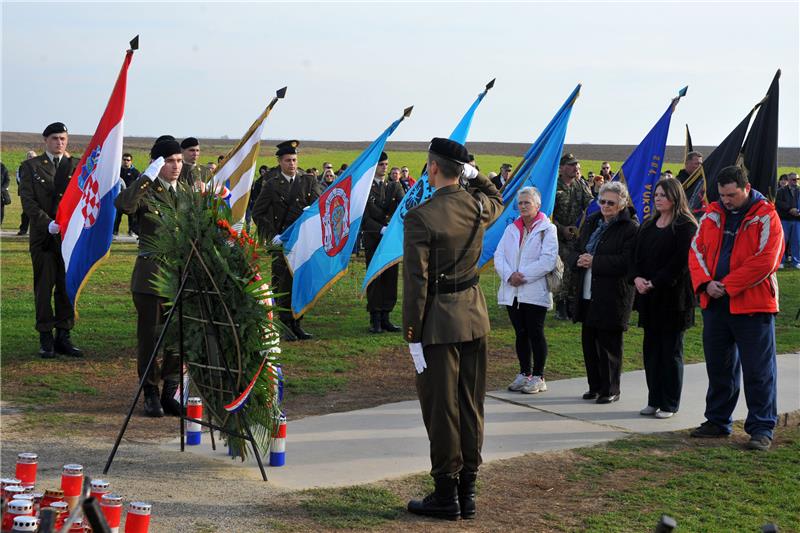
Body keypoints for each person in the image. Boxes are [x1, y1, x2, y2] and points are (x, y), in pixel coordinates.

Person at [403, 137, 503, 521]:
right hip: (474, 316)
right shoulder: (478, 206)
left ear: (432, 169)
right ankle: (469, 491)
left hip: (439, 324)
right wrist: (475, 176)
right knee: (470, 405)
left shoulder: (421, 217)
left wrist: (412, 335)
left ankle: (447, 493)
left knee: (442, 408)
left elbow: (416, 284)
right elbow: (497, 195)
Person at [688, 166, 784, 451]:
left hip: (754, 306)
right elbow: (696, 250)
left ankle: (762, 427)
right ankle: (718, 420)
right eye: (722, 194)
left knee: (759, 370)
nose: (726, 200)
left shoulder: (766, 215)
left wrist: (727, 285)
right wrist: (706, 284)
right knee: (720, 367)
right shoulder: (712, 214)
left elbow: (767, 260)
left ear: (746, 187)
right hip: (716, 305)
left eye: (732, 194)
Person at [115, 139, 188, 417]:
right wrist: (146, 177)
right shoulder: (148, 190)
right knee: (149, 338)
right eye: (170, 161)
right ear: (159, 163)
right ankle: (150, 393)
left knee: (177, 338)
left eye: (179, 161)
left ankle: (170, 391)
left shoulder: (184, 193)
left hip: (179, 278)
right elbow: (124, 204)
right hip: (151, 277)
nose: (176, 166)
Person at [632, 178, 698, 419]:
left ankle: (669, 403)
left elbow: (681, 262)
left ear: (675, 197)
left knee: (670, 352)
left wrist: (655, 282)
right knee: (651, 351)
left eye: (663, 194)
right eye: (656, 194)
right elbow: (636, 256)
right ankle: (653, 399)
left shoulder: (685, 226)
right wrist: (637, 278)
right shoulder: (648, 225)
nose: (658, 198)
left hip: (673, 299)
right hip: (649, 298)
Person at [18, 122, 83, 359]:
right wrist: (48, 223)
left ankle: (64, 335)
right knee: (44, 287)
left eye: (63, 138)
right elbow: (28, 201)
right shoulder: (30, 166)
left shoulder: (76, 165)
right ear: (45, 140)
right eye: (55, 138)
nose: (59, 142)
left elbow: (83, 198)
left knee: (66, 287)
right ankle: (45, 336)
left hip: (68, 238)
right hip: (43, 237)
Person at [570, 181, 637, 404]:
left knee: (608, 345)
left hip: (613, 294)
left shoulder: (629, 228)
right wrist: (578, 259)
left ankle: (611, 389)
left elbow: (627, 261)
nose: (605, 206)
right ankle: (595, 386)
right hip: (588, 290)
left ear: (622, 204)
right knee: (589, 343)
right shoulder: (592, 221)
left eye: (611, 202)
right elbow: (577, 248)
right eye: (602, 201)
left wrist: (595, 261)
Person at [252, 140, 321, 341]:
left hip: (302, 242)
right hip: (282, 242)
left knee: (300, 281)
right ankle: (284, 324)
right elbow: (258, 212)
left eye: (294, 160)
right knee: (282, 284)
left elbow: (318, 206)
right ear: (280, 162)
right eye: (288, 160)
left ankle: (297, 322)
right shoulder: (272, 185)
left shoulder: (308, 181)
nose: (292, 164)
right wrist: (272, 235)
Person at [494, 186, 558, 394]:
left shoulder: (547, 229)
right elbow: (499, 255)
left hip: (534, 290)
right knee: (520, 333)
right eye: (520, 203)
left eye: (527, 202)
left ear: (537, 205)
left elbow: (547, 260)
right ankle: (524, 373)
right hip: (512, 290)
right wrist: (508, 275)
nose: (522, 206)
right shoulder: (512, 228)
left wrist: (522, 275)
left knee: (535, 332)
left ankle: (539, 376)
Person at [363, 152, 405, 333]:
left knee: (390, 277)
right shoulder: (365, 188)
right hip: (373, 238)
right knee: (375, 278)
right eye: (381, 164)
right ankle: (375, 318)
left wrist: (393, 227)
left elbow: (403, 206)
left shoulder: (394, 186)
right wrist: (380, 228)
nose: (384, 167)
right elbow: (363, 216)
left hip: (390, 240)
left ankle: (386, 315)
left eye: (386, 164)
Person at [552, 153, 594, 320]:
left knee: (574, 269)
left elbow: (591, 204)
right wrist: (561, 229)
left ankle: (571, 305)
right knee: (562, 269)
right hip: (556, 237)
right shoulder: (554, 186)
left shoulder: (580, 185)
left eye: (576, 164)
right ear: (561, 168)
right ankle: (560, 306)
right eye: (570, 164)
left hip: (576, 237)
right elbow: (546, 214)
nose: (575, 167)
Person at [775, 172, 800, 268]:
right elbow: (778, 202)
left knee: (797, 241)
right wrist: (790, 209)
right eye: (794, 179)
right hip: (785, 219)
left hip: (797, 220)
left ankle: (796, 261)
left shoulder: (799, 190)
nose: (796, 181)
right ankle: (781, 261)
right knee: (782, 241)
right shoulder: (781, 191)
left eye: (797, 179)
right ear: (789, 180)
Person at [113, 153, 140, 236]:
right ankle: (115, 232)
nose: (126, 162)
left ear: (131, 161)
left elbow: (138, 184)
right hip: (120, 197)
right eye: (124, 160)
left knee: (131, 216)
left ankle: (131, 231)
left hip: (131, 198)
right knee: (118, 216)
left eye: (128, 160)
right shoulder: (118, 171)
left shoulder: (135, 172)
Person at [16, 150, 36, 235]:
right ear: (27, 158)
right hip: (25, 193)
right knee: (26, 211)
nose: (31, 158)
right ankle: (23, 229)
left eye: (33, 157)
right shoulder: (22, 167)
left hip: (37, 193)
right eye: (29, 157)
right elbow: (19, 179)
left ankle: (35, 231)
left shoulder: (39, 166)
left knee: (37, 211)